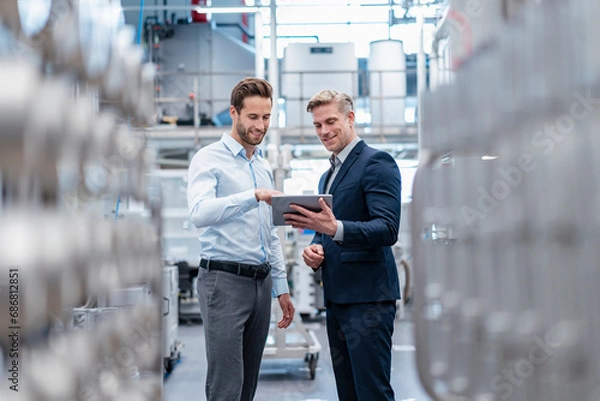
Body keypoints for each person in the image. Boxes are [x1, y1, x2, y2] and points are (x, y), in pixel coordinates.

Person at [284, 89, 402, 401]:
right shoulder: (327, 176)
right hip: (337, 299)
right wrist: (315, 249)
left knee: (372, 392)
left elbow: (388, 228)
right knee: (348, 393)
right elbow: (326, 231)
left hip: (369, 302)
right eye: (317, 125)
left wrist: (334, 229)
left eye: (330, 121)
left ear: (351, 118)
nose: (324, 131)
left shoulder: (377, 162)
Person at [187, 77, 295, 401]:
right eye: (253, 117)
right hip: (224, 281)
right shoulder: (208, 159)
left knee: (247, 387)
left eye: (266, 117)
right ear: (233, 113)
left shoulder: (261, 165)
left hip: (260, 285)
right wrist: (252, 196)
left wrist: (282, 288)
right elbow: (200, 213)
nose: (260, 125)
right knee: (226, 386)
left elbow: (269, 235)